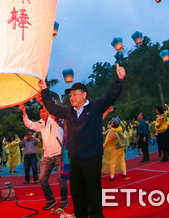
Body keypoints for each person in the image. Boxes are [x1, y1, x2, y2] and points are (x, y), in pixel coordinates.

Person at [40, 63, 126, 218]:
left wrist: (119, 79)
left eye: (75, 94)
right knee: (77, 193)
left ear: (84, 94)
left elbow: (111, 96)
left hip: (92, 160)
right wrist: (45, 90)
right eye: (70, 95)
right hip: (75, 160)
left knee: (93, 192)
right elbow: (52, 108)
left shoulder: (96, 107)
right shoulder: (68, 111)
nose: (71, 97)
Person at [20, 103, 68, 210]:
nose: (42, 114)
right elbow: (29, 124)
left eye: (44, 112)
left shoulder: (55, 121)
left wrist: (44, 102)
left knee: (62, 179)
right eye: (40, 112)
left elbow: (54, 113)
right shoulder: (40, 124)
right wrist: (24, 111)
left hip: (59, 154)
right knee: (42, 179)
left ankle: (64, 200)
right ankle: (51, 200)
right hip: (47, 156)